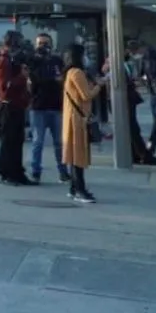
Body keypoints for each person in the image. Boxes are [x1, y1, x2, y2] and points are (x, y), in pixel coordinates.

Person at [62, 43, 106, 204]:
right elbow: (86, 95)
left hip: (72, 117)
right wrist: (99, 86)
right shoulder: (77, 73)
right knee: (78, 155)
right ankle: (79, 189)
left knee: (74, 155)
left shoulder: (70, 72)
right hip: (77, 120)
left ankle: (75, 188)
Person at [0, 30, 36, 186]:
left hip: (17, 104)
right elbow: (5, 86)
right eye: (18, 41)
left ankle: (17, 172)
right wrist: (21, 77)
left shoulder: (12, 60)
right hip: (8, 105)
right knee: (9, 140)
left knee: (17, 140)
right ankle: (7, 172)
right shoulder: (3, 60)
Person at [28, 33, 69, 183]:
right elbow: (34, 81)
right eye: (40, 43)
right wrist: (52, 80)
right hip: (38, 106)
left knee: (59, 142)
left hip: (56, 106)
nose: (43, 46)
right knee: (37, 142)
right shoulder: (33, 61)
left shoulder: (57, 61)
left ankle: (63, 171)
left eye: (46, 43)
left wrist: (53, 81)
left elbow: (63, 80)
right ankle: (36, 172)